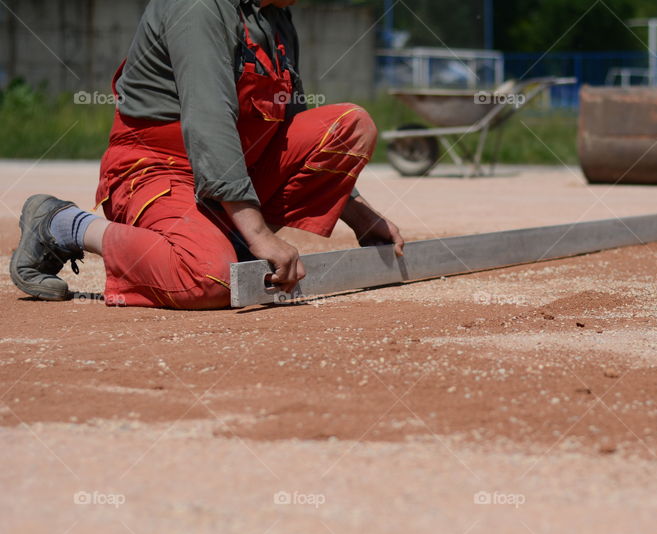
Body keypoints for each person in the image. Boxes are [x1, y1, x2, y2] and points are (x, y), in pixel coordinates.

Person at [9, 0, 404, 309]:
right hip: (158, 170)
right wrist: (258, 234)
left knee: (351, 125)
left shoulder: (274, 17)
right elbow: (209, 119)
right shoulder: (198, 8)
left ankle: (220, 239)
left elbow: (290, 125)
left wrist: (360, 215)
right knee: (212, 278)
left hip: (232, 172)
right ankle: (62, 225)